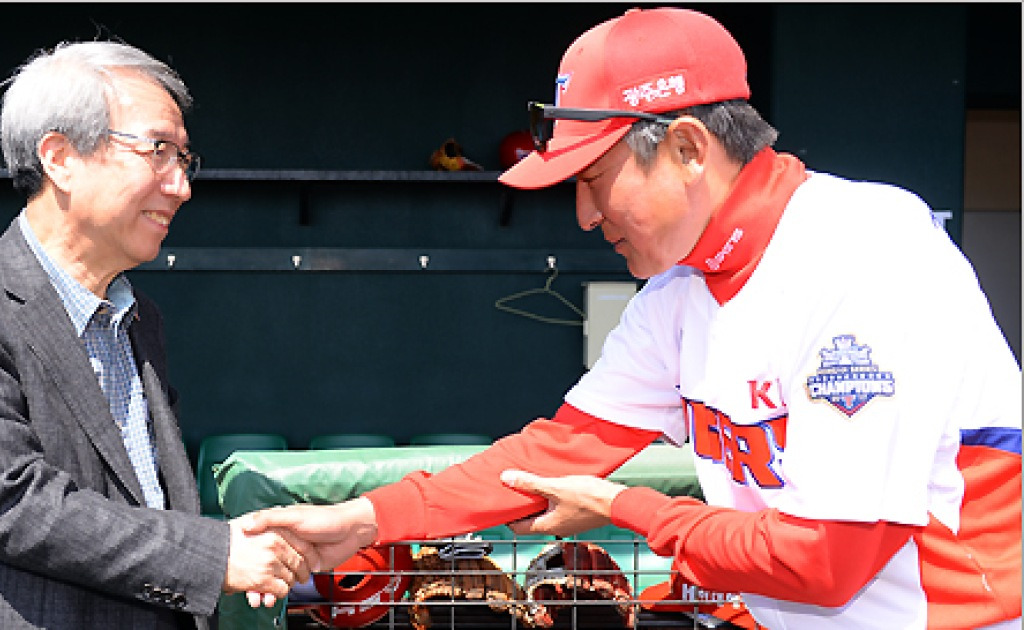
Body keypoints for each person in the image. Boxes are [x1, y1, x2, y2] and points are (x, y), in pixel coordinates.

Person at [246, 7, 1022, 630]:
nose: (583, 216)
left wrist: (628, 507)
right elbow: (551, 453)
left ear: (687, 147)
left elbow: (823, 565)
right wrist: (368, 518)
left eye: (594, 179)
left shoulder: (864, 249)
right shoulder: (677, 292)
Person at [0, 40, 316, 630]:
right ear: (60, 158)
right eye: (158, 150)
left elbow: (149, 500)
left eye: (185, 160)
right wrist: (214, 554)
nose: (181, 186)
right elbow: (12, 504)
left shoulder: (141, 318)